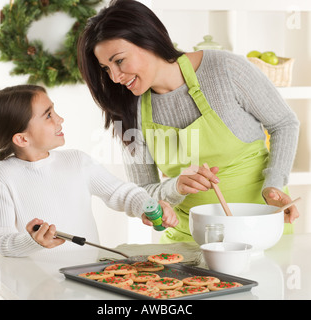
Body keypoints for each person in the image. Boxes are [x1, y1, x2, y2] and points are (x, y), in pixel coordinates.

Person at [77, 0, 300, 243]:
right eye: (106, 68)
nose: (116, 77)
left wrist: (274, 184)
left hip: (259, 226)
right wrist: (176, 187)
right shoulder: (127, 109)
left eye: (119, 61)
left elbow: (284, 123)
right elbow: (144, 194)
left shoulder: (224, 69)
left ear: (149, 40)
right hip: (188, 238)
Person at [0, 84, 178, 258]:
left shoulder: (76, 160)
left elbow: (121, 193)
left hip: (87, 276)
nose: (60, 119)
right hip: (36, 286)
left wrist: (145, 206)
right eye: (49, 115)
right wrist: (33, 241)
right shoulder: (3, 175)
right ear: (22, 139)